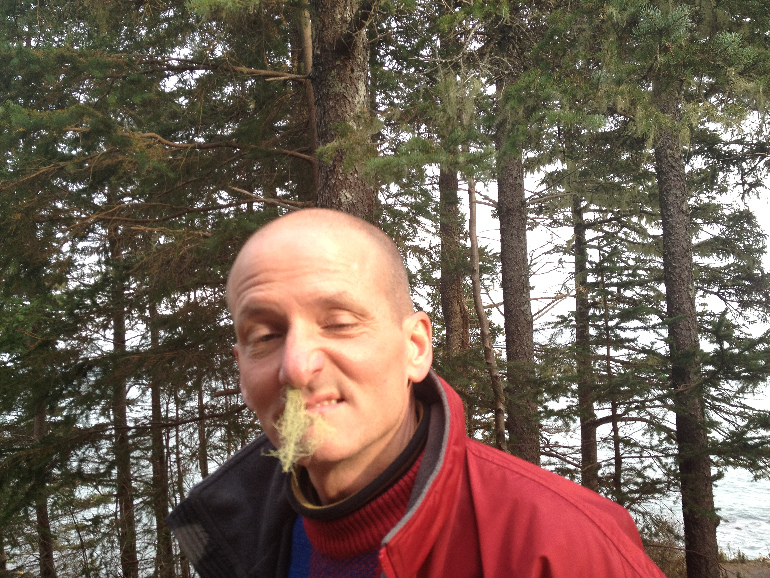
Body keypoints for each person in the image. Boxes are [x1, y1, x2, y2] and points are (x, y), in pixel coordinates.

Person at [168, 208, 666, 578]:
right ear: (241, 368)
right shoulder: (238, 537)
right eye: (265, 336)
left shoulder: (559, 549)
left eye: (339, 323)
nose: (297, 367)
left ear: (415, 348)